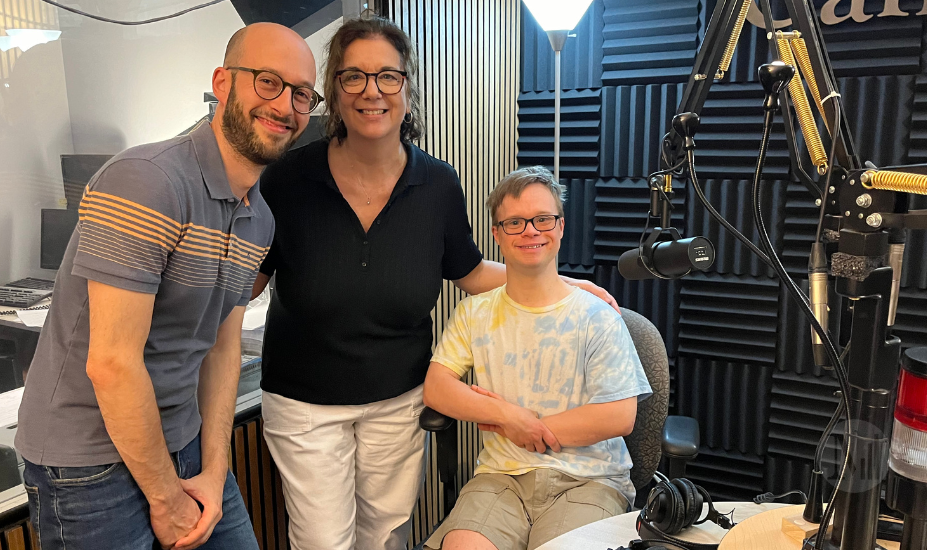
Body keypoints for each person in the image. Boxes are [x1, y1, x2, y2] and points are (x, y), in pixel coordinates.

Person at [249, 16, 620, 550]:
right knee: (323, 540)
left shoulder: (438, 183)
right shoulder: (286, 177)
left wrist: (560, 286)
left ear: (406, 87)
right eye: (353, 77)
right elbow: (248, 280)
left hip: (398, 396)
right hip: (305, 402)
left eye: (387, 76)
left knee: (386, 536)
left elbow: (470, 272)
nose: (371, 91)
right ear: (334, 89)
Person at [14, 23, 319, 550]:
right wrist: (166, 498)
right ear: (223, 83)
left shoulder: (258, 219)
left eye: (301, 95)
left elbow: (221, 350)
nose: (285, 105)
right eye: (268, 82)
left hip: (185, 441)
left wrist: (215, 466)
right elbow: (112, 364)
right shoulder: (147, 181)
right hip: (88, 464)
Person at [420, 166, 652, 550]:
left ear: (560, 226)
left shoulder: (597, 316)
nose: (530, 230)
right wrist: (508, 417)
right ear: (496, 234)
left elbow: (618, 415)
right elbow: (437, 389)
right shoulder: (473, 313)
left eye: (542, 219)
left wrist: (529, 427)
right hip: (501, 478)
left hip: (589, 481)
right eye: (514, 222)